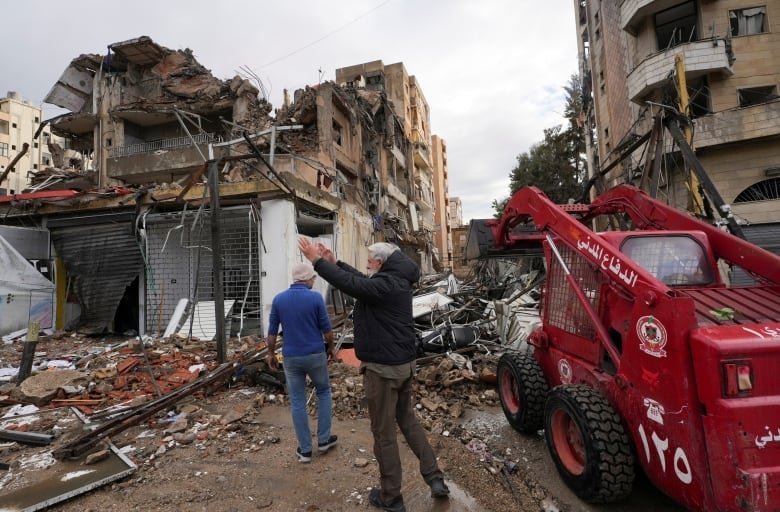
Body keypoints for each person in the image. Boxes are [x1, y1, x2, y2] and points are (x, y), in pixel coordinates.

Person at [298, 237, 449, 512]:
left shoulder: (385, 284)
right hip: (403, 365)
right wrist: (336, 263)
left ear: (379, 263)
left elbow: (356, 285)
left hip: (384, 370)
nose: (366, 265)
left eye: (369, 261)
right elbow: (363, 282)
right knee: (409, 422)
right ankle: (435, 478)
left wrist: (317, 262)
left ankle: (391, 496)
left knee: (384, 434)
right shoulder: (394, 278)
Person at [266, 261, 338, 463]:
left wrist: (271, 354)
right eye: (313, 278)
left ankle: (305, 450)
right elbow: (327, 330)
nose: (314, 281)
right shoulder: (315, 298)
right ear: (306, 279)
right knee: (323, 392)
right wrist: (331, 348)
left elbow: (271, 332)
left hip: (291, 357)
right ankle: (324, 439)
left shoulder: (279, 300)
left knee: (297, 400)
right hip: (315, 354)